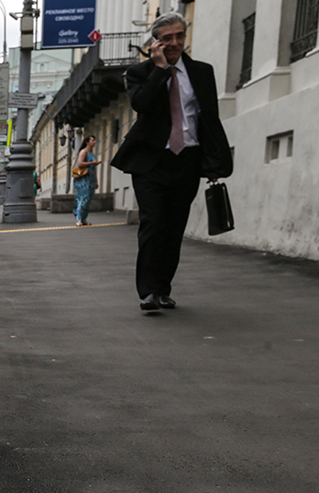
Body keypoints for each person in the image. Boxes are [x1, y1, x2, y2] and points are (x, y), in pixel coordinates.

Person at [110, 12, 233, 311]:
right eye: (167, 38)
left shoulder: (202, 72)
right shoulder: (140, 73)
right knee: (153, 223)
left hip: (187, 160)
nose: (175, 42)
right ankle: (149, 292)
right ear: (156, 42)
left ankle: (163, 289)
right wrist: (161, 69)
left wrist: (215, 162)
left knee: (174, 227)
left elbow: (210, 119)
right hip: (151, 161)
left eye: (180, 36)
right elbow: (142, 105)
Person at [72, 135, 99, 226]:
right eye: (92, 140)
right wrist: (92, 163)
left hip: (91, 178)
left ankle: (84, 219)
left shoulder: (92, 153)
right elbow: (80, 163)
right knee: (83, 198)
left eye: (94, 140)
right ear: (87, 142)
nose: (94, 142)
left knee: (88, 199)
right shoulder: (83, 152)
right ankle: (78, 219)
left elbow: (94, 168)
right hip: (83, 179)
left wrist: (96, 180)